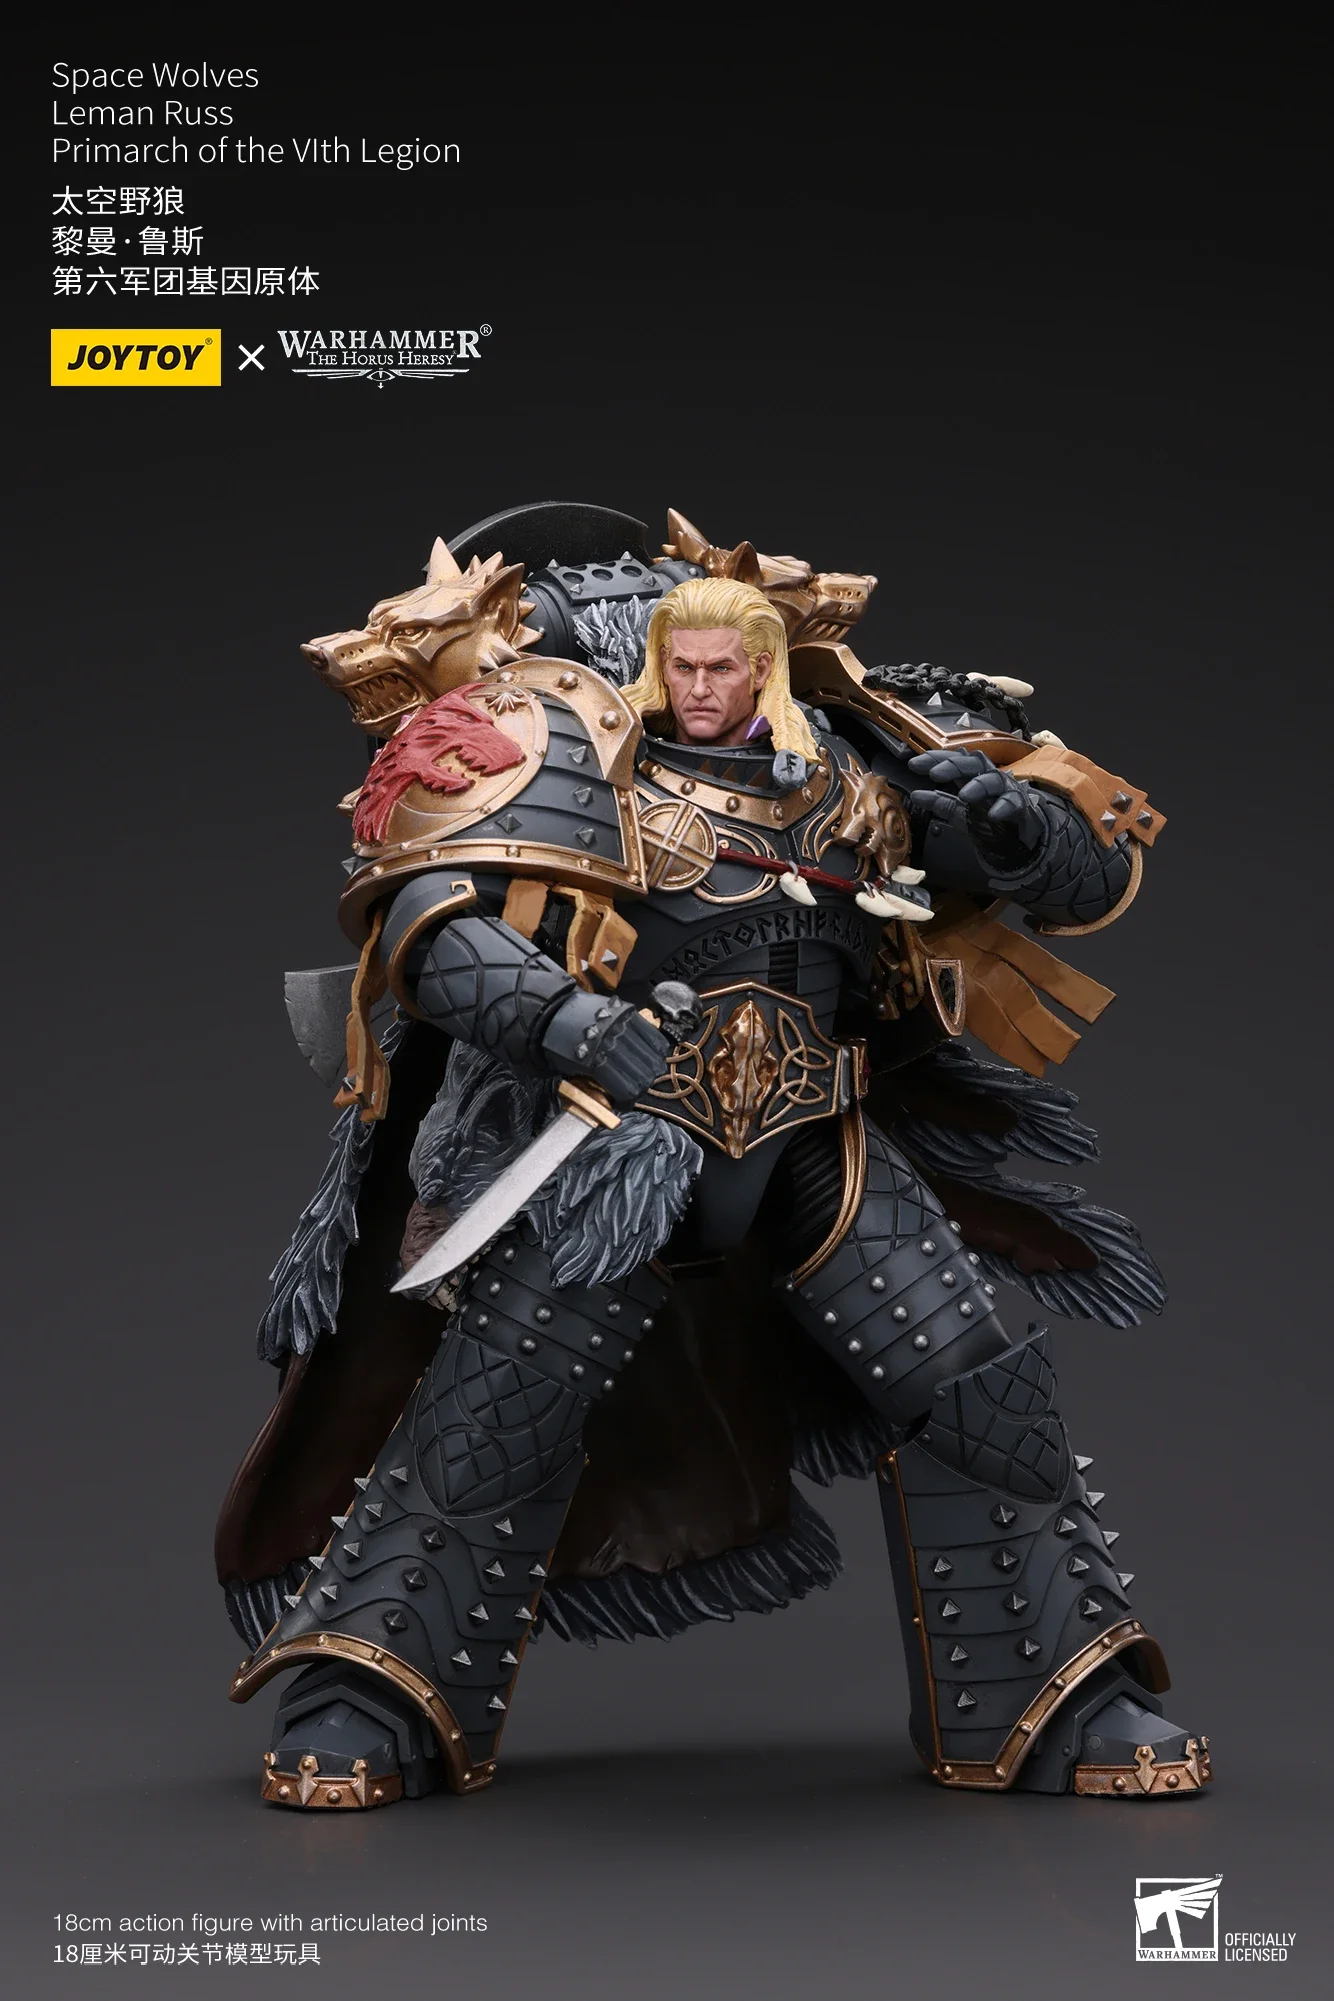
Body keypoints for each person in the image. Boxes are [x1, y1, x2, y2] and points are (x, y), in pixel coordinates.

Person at [220, 512, 1208, 1808]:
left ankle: (1058, 1691)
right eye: (678, 664)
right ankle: (372, 1683)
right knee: (498, 1406)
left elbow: (1081, 865)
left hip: (815, 1132)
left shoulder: (856, 753)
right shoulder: (556, 743)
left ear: (768, 661)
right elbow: (428, 921)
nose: (700, 685)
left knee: (975, 1390)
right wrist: (573, 1026)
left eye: (724, 664)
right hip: (622, 1145)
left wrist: (1012, 830)